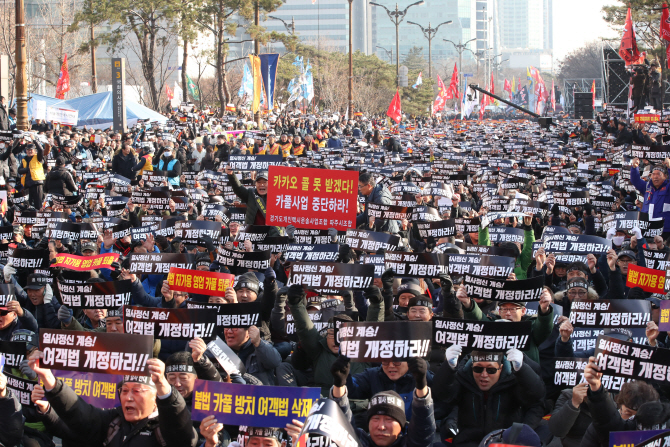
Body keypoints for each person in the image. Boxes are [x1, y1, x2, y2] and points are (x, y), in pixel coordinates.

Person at [27, 351, 199, 447]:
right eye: (124, 391)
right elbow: (80, 413)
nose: (128, 397)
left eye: (137, 391)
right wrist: (49, 380)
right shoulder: (113, 422)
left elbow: (183, 436)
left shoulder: (165, 429)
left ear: (155, 398)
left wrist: (162, 384)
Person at [433, 349, 546, 447]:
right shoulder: (463, 379)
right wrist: (448, 368)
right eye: (478, 369)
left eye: (490, 370)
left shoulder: (512, 381)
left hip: (503, 443)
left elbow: (536, 396)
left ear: (501, 368)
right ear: (472, 367)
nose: (484, 375)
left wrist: (522, 369)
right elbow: (442, 395)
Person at [328, 355, 436, 447]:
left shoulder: (410, 443)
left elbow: (423, 429)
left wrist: (421, 384)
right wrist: (339, 384)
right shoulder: (359, 442)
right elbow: (343, 428)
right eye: (376, 418)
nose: (381, 426)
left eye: (389, 419)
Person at [18, 142, 46, 209]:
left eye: (31, 150)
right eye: (28, 150)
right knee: (28, 204)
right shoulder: (24, 159)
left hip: (37, 182)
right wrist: (28, 169)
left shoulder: (38, 157)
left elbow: (41, 150)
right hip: (27, 184)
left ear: (35, 151)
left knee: (38, 203)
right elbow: (19, 170)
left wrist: (34, 140)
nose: (29, 151)